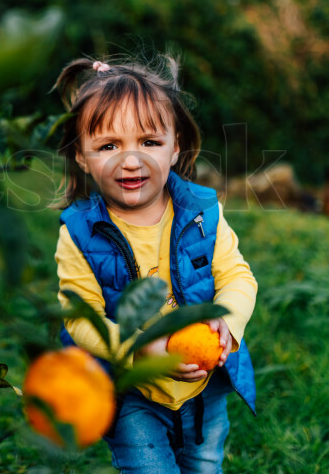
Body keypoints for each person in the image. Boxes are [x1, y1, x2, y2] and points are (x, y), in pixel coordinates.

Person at [50, 56, 258, 474]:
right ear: (82, 157)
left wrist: (228, 321)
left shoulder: (202, 212)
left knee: (204, 465)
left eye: (149, 142)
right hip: (133, 394)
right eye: (109, 146)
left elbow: (237, 275)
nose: (131, 161)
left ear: (175, 145)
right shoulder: (79, 234)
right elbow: (80, 318)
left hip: (205, 389)